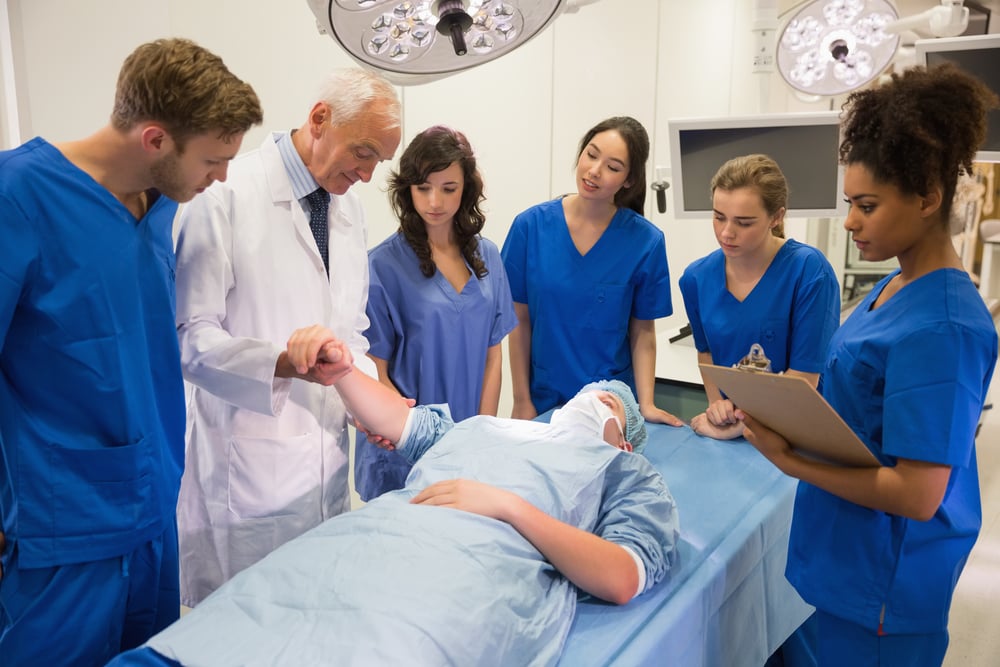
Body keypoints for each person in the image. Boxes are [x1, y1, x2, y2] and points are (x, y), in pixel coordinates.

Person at [106, 334, 679, 667]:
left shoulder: (625, 470)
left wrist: (507, 506)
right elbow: (393, 419)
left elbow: (624, 576)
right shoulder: (479, 427)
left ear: (622, 434)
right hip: (371, 538)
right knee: (254, 608)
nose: (586, 399)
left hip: (471, 564)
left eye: (603, 401)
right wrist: (340, 372)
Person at [0, 38, 262, 665]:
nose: (222, 176)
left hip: (152, 512)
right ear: (154, 140)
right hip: (63, 528)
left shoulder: (162, 205)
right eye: (213, 159)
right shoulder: (19, 196)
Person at [738, 63, 998, 664]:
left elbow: (917, 493)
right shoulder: (894, 286)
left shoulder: (945, 327)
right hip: (843, 556)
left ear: (929, 198)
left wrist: (792, 461)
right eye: (849, 202)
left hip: (885, 585)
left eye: (867, 205)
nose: (850, 220)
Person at [173, 68, 401, 606]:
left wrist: (371, 403)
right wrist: (279, 362)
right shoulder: (225, 193)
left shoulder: (347, 206)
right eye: (363, 152)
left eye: (378, 161)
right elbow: (189, 337)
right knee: (244, 630)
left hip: (324, 468)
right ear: (319, 118)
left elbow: (352, 332)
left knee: (316, 619)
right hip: (248, 473)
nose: (367, 175)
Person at [355, 125, 518, 500]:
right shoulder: (382, 266)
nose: (434, 201)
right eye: (423, 187)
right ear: (407, 188)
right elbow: (375, 371)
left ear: (467, 190)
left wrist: (480, 432)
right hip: (402, 450)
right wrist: (416, 437)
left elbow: (494, 355)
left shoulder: (487, 257)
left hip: (468, 442)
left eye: (449, 189)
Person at [501, 116, 681, 426]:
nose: (594, 171)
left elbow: (643, 332)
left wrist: (647, 404)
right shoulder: (530, 227)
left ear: (629, 180)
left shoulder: (645, 242)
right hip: (545, 401)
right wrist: (521, 400)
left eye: (613, 167)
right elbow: (518, 321)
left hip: (610, 406)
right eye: (591, 154)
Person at [679, 154, 840, 440]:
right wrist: (717, 406)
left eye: (744, 222)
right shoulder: (696, 278)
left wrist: (744, 427)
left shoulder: (809, 271)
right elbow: (706, 354)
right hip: (732, 427)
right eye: (719, 217)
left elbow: (805, 378)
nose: (726, 233)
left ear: (776, 217)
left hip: (796, 431)